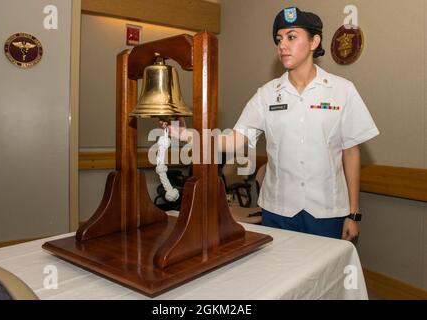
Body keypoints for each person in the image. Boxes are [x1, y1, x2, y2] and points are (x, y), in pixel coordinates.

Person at [160, 6, 379, 241]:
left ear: (314, 41)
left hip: (326, 212)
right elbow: (233, 141)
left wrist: (353, 213)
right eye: (279, 39)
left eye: (291, 37)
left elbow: (351, 152)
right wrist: (187, 135)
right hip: (278, 210)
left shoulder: (342, 90)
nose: (282, 45)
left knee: (325, 276)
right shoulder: (266, 95)